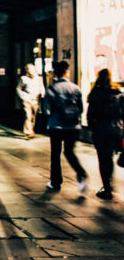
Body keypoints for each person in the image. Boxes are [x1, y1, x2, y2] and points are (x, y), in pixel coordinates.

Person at [42, 60, 88, 194]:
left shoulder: (52, 89)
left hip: (56, 126)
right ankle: (81, 172)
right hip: (73, 126)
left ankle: (55, 182)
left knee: (55, 154)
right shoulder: (75, 88)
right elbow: (80, 108)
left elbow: (46, 110)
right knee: (69, 152)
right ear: (67, 72)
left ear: (55, 73)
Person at [86, 68, 124, 200]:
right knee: (113, 156)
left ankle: (107, 188)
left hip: (102, 129)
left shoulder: (95, 95)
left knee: (104, 159)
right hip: (117, 129)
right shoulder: (119, 94)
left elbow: (90, 116)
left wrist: (92, 129)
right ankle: (109, 183)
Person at [16, 63, 46, 139]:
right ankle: (28, 131)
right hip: (26, 99)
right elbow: (18, 88)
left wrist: (43, 93)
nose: (31, 71)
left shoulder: (39, 78)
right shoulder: (23, 78)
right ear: (26, 70)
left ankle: (31, 129)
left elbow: (41, 87)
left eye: (32, 69)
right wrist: (22, 97)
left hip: (35, 100)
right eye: (29, 69)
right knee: (28, 115)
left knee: (33, 116)